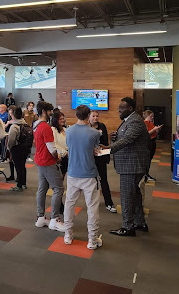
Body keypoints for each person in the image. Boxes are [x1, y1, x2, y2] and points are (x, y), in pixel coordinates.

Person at [106, 97, 150, 237]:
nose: (119, 109)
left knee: (126, 196)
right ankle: (140, 222)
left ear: (130, 108)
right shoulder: (129, 120)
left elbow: (128, 139)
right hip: (131, 165)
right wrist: (115, 137)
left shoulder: (135, 120)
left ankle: (127, 227)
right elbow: (125, 138)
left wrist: (108, 149)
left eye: (122, 107)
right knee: (135, 195)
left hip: (131, 166)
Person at [64, 105, 102, 249]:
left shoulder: (68, 131)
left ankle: (68, 235)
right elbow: (95, 151)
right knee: (92, 208)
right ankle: (92, 240)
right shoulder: (94, 133)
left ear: (76, 115)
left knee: (69, 204)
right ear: (88, 116)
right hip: (89, 174)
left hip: (72, 173)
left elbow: (70, 147)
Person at [33, 101, 65, 232]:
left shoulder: (36, 125)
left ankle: (41, 217)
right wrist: (57, 158)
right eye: (50, 111)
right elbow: (51, 147)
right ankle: (54, 219)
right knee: (58, 189)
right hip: (48, 161)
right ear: (44, 112)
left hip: (40, 160)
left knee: (42, 188)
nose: (52, 113)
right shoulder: (45, 127)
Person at [89, 110, 116, 213]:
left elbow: (105, 142)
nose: (95, 118)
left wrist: (105, 154)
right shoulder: (86, 127)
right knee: (90, 182)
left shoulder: (102, 126)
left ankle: (109, 203)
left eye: (96, 116)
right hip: (90, 159)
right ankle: (91, 202)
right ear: (89, 117)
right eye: (93, 116)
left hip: (100, 157)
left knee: (103, 180)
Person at [7, 107, 29, 192]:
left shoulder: (14, 126)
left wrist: (9, 148)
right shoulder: (25, 124)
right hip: (25, 148)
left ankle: (19, 185)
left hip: (16, 148)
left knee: (18, 166)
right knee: (23, 165)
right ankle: (23, 183)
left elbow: (11, 140)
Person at [51, 111, 68, 213]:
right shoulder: (53, 130)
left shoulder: (66, 130)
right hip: (59, 158)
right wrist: (64, 153)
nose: (62, 120)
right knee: (58, 183)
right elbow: (55, 145)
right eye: (60, 119)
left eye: (63, 118)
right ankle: (58, 204)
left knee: (62, 182)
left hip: (67, 158)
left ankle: (60, 202)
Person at [143, 110, 163, 182]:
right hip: (148, 142)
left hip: (153, 141)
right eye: (151, 116)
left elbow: (154, 133)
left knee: (150, 159)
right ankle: (145, 175)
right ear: (147, 116)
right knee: (146, 160)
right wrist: (154, 129)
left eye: (153, 116)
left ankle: (147, 174)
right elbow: (146, 134)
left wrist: (157, 130)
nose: (152, 118)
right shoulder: (144, 123)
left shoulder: (151, 123)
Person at [4, 105, 16, 181]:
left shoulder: (16, 121)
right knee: (10, 159)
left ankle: (18, 176)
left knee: (15, 159)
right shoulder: (8, 119)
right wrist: (8, 123)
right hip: (7, 137)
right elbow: (4, 127)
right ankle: (12, 175)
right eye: (9, 110)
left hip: (14, 140)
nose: (9, 112)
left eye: (11, 110)